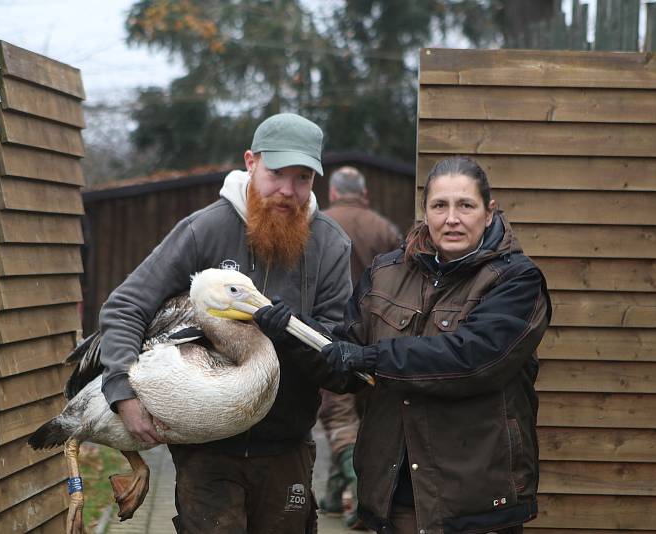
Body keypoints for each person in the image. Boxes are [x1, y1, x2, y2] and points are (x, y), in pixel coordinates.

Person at [98, 113, 353, 533]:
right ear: (251, 162)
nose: (288, 191)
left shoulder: (329, 244)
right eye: (276, 174)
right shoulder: (204, 231)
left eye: (303, 178)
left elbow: (337, 344)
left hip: (286, 445)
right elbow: (126, 306)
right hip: (206, 448)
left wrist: (290, 334)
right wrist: (122, 392)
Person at [320, 156, 551, 533]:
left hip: (476, 502)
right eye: (440, 206)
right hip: (393, 498)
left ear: (489, 212)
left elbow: (474, 359)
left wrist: (371, 357)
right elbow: (345, 358)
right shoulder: (385, 272)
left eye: (466, 205)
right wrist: (297, 335)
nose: (452, 218)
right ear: (425, 212)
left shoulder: (517, 281)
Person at [318, 166, 400, 528]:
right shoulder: (383, 228)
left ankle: (357, 502)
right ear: (363, 194)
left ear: (333, 193)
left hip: (329, 333)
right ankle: (338, 494)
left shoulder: (317, 223)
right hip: (374, 334)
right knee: (364, 418)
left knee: (338, 416)